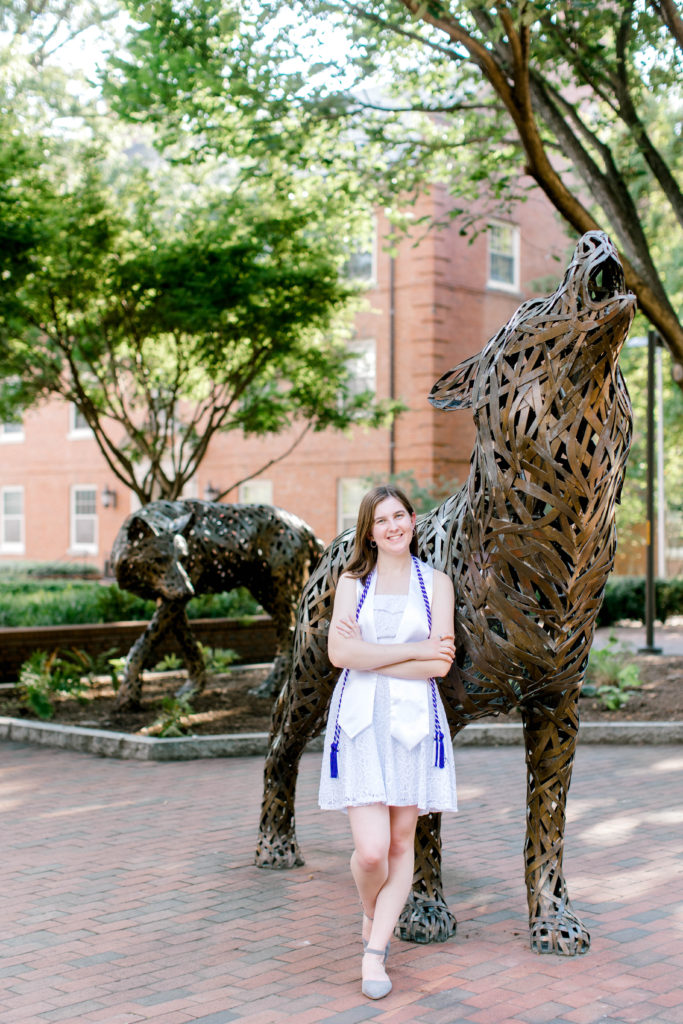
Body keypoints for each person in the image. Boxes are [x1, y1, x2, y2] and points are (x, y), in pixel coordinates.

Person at [318, 484, 457, 1000]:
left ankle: (374, 953)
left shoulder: (436, 584)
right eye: (382, 520)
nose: (394, 525)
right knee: (371, 851)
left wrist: (370, 652)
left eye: (400, 515)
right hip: (360, 724)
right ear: (370, 533)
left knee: (402, 845)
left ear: (412, 520)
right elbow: (338, 654)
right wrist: (413, 650)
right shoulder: (354, 583)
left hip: (414, 726)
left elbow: (439, 664)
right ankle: (373, 909)